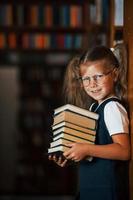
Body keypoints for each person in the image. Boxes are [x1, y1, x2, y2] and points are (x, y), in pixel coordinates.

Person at [49, 44, 130, 200]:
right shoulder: (94, 107)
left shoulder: (112, 107)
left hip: (107, 191)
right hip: (91, 188)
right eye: (86, 79)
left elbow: (124, 151)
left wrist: (86, 149)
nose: (92, 84)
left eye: (98, 76)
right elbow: (96, 150)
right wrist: (72, 155)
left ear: (115, 74)